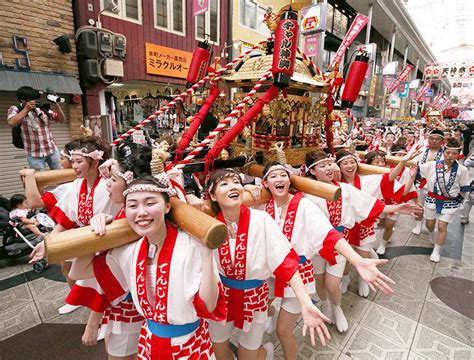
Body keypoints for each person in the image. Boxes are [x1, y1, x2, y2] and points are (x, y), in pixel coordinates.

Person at [69, 176, 227, 359]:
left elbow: (209, 305)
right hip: (149, 340)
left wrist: (207, 254)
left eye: (150, 203)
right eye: (133, 205)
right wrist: (95, 233)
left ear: (167, 207)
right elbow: (78, 271)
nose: (141, 212)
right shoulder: (129, 251)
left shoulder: (192, 245)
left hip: (191, 342)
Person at [255, 162, 394, 359]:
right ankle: (270, 314)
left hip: (299, 273)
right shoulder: (261, 206)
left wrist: (357, 260)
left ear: (290, 180)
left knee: (284, 331)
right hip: (270, 273)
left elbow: (329, 235)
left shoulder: (304, 205)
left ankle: (332, 310)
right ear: (265, 183)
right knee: (262, 307)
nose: (279, 179)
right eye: (273, 176)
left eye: (283, 175)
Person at [206, 168, 331, 359]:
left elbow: (286, 263)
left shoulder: (262, 220)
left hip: (254, 298)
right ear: (213, 196)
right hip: (222, 297)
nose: (232, 187)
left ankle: (266, 351)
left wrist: (305, 302)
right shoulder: (208, 226)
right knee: (219, 353)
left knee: (248, 354)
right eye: (224, 184)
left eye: (236, 182)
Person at [303, 150, 421, 332]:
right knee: (319, 280)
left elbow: (370, 204)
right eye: (322, 166)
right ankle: (326, 304)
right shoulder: (305, 194)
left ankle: (337, 307)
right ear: (312, 171)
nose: (328, 169)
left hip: (340, 242)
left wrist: (396, 207)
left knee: (332, 284)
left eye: (329, 164)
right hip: (317, 245)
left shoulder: (345, 189)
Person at [417, 137, 471, 262]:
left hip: (450, 201)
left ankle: (437, 250)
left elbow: (464, 188)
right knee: (429, 224)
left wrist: (460, 201)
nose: (450, 156)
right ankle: (431, 234)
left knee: (442, 226)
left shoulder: (462, 170)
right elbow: (419, 171)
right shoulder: (432, 165)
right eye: (448, 152)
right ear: (443, 152)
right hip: (432, 198)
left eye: (454, 153)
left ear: (458, 154)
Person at [7, 86, 65, 170]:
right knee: (41, 180)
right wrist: (26, 109)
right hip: (34, 154)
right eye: (31, 99)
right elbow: (11, 122)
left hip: (52, 149)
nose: (34, 101)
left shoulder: (41, 108)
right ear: (22, 100)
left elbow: (61, 119)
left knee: (61, 175)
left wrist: (56, 104)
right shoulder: (16, 109)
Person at [19, 140, 80, 215]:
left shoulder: (72, 185)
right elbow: (42, 199)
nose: (59, 162)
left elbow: (35, 203)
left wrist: (29, 175)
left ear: (73, 162)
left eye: (62, 158)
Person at [412, 129, 445, 235]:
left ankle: (431, 224)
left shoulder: (446, 153)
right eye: (431, 138)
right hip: (420, 183)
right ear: (428, 140)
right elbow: (413, 164)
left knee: (433, 208)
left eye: (437, 139)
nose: (434, 141)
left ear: (442, 141)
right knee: (418, 205)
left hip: (436, 186)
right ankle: (418, 224)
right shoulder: (422, 150)